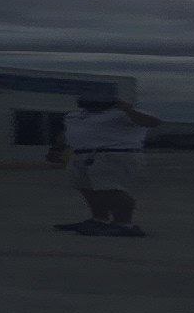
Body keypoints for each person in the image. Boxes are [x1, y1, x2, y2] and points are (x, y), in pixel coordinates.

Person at [60, 90, 154, 235]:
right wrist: (60, 147)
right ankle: (99, 219)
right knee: (87, 188)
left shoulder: (123, 114)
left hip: (114, 154)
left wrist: (128, 109)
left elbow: (152, 122)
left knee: (110, 189)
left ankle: (124, 224)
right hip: (82, 155)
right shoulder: (74, 115)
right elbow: (70, 132)